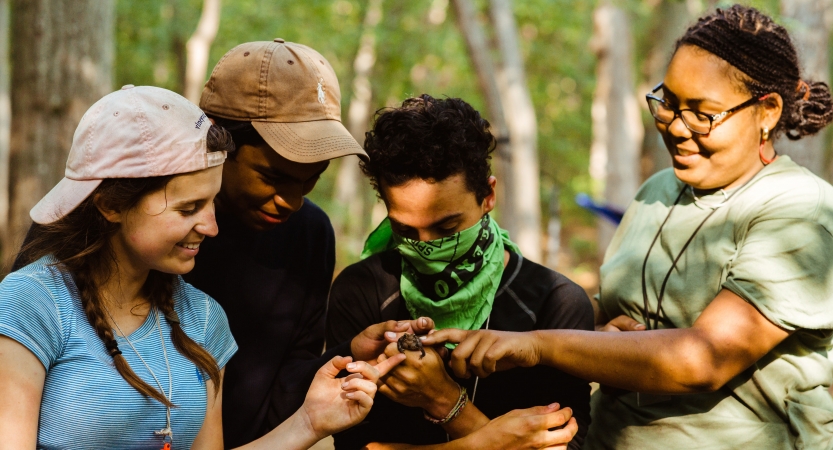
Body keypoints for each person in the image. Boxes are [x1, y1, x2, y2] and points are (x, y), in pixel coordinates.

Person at [423, 5, 833, 449]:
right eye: (668, 102)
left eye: (702, 113)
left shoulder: (801, 211)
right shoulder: (659, 189)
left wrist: (539, 345)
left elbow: (703, 359)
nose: (675, 126)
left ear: (767, 111)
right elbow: (608, 311)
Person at [0, 85, 403, 449]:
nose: (210, 227)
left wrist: (310, 421)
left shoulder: (203, 318)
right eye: (188, 208)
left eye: (211, 203)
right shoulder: (32, 303)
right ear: (111, 204)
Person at [176, 39, 434, 447]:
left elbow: (285, 382)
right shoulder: (150, 225)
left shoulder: (309, 234)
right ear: (218, 144)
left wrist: (350, 354)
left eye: (310, 179)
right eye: (274, 177)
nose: (292, 202)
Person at [326, 95, 589, 449]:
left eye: (448, 228)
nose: (427, 248)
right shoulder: (362, 290)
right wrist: (496, 439)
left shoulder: (555, 304)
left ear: (488, 196)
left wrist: (446, 401)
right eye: (405, 231)